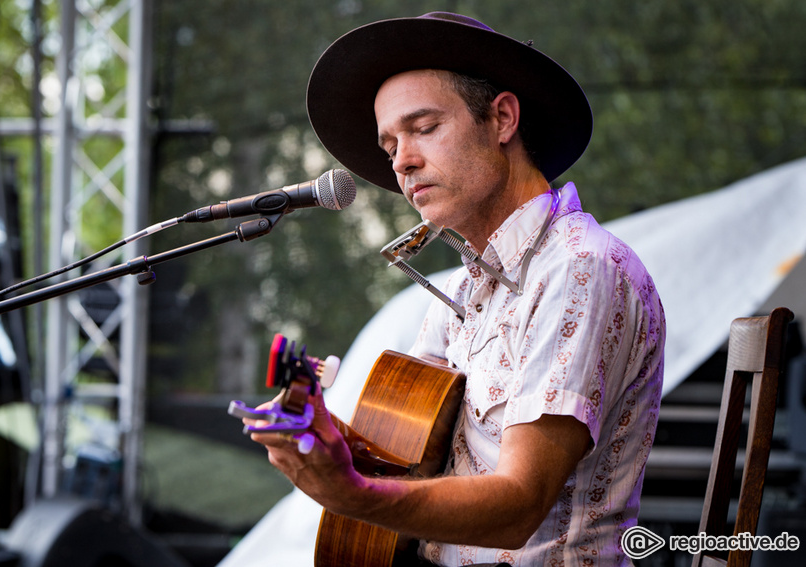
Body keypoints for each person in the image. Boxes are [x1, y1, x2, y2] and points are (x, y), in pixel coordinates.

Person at [245, 11, 665, 566]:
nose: (402, 162)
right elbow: (403, 458)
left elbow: (518, 507)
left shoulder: (578, 269)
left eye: (423, 128)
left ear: (503, 119)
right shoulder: (465, 290)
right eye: (390, 143)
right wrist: (329, 441)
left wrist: (349, 492)